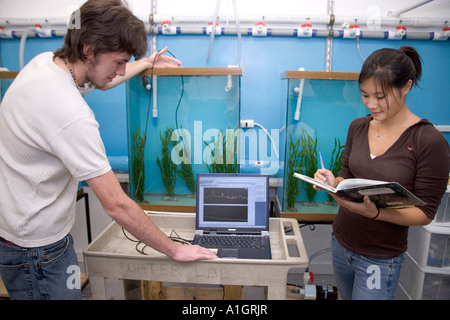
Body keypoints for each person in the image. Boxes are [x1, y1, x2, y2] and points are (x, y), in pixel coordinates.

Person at [0, 0, 216, 300]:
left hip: (21, 236)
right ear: (89, 49)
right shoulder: (69, 113)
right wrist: (175, 249)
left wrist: (145, 62)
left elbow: (97, 82)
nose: (121, 70)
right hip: (36, 252)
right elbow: (117, 205)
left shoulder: (47, 65)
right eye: (119, 62)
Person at [314, 46, 449, 300]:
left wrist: (376, 213)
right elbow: (346, 176)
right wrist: (334, 182)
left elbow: (425, 214)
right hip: (341, 243)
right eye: (365, 95)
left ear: (406, 87)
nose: (371, 104)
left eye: (381, 96)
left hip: (380, 258)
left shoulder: (428, 141)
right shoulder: (358, 127)